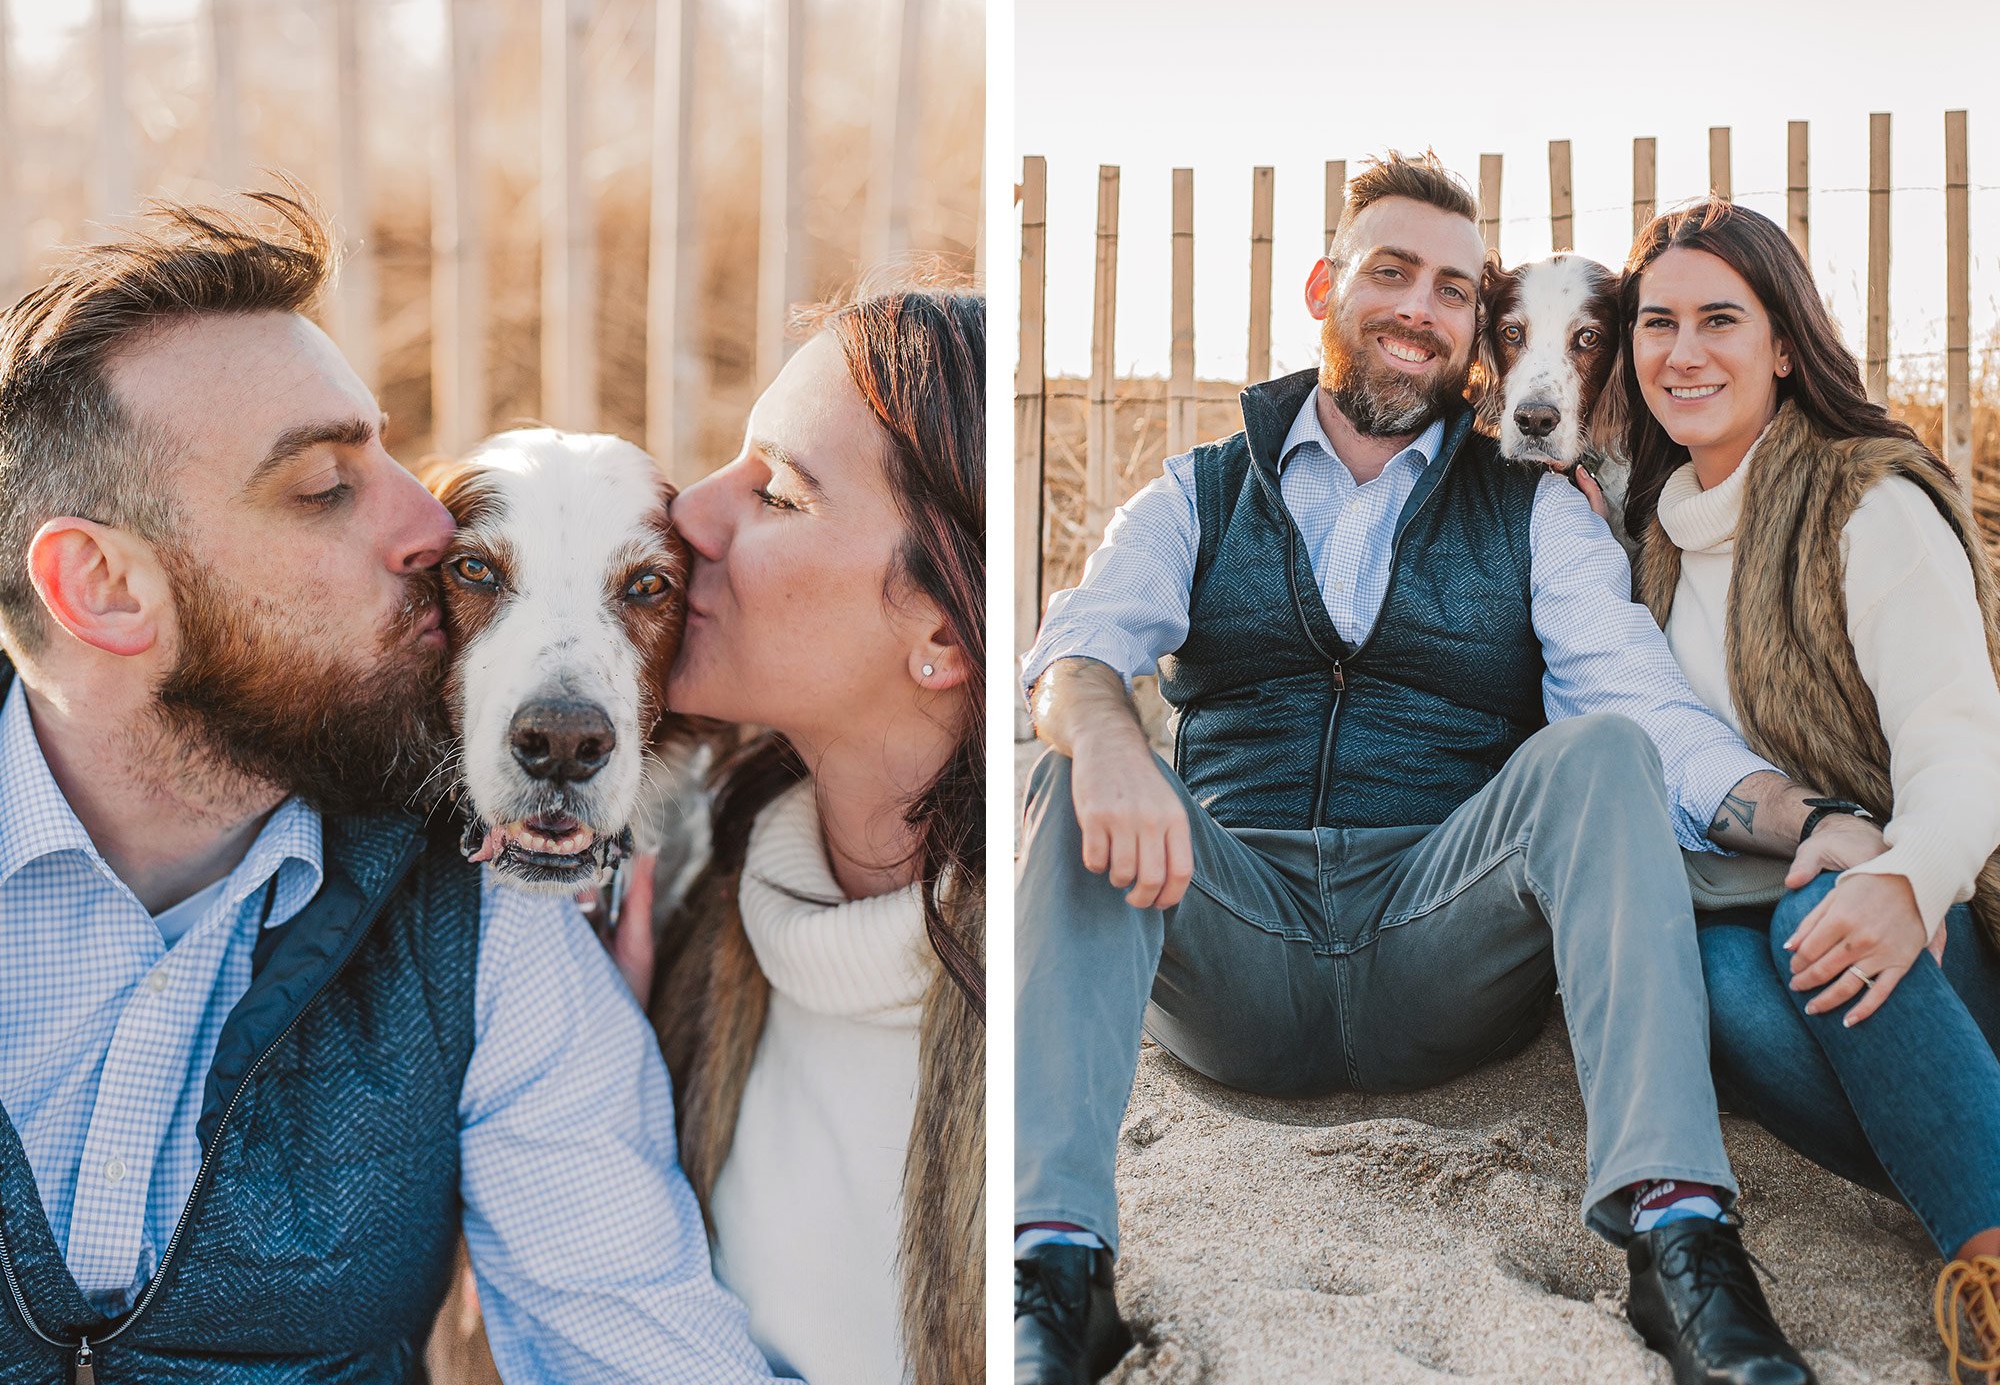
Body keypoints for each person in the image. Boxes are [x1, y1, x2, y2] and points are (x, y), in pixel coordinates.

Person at [1012, 150, 1857, 1385]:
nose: (1420, 306)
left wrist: (1804, 815)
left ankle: (1680, 1236)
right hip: (1233, 950)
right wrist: (1102, 735)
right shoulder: (1195, 491)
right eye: (1390, 271)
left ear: (1473, 326)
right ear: (1322, 286)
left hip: (1435, 942)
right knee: (1068, 777)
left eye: (1453, 289)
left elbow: (1644, 712)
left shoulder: (1539, 513)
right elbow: (1073, 654)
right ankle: (1054, 1267)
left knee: (1602, 750)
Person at [0, 190, 786, 1382]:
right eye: (324, 487)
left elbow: (636, 1340)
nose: (424, 520)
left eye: (383, 451)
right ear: (102, 586)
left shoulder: (485, 934)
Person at [1611, 198, 2000, 1379]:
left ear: (1782, 343)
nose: (1683, 353)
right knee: (1717, 970)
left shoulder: (1862, 502)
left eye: (1719, 319)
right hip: (1803, 951)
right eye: (1656, 323)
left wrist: (1902, 875)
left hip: (1946, 922)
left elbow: (1959, 743)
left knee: (1806, 915)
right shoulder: (1653, 537)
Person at [608, 288, 986, 1385]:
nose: (687, 517)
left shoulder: (1026, 987)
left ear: (938, 633)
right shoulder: (669, 886)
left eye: (774, 492)